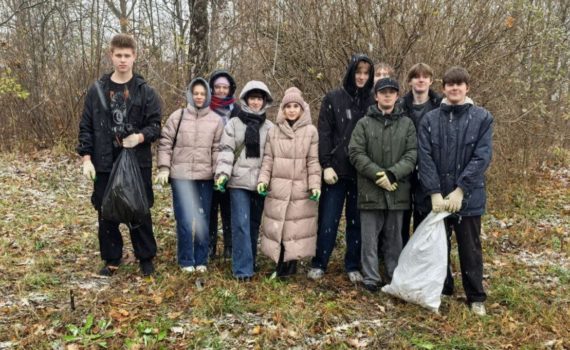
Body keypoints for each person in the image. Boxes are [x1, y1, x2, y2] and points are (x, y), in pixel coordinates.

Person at [77, 34, 161, 277]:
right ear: (110, 56)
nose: (123, 60)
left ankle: (146, 257)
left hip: (136, 161)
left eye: (127, 55)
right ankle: (112, 258)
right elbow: (86, 125)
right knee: (106, 210)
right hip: (104, 161)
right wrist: (86, 158)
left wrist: (140, 137)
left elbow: (156, 126)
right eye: (118, 55)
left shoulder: (146, 92)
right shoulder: (97, 90)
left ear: (134, 57)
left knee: (139, 208)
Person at [417, 66, 493, 316]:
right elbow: (425, 157)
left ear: (467, 88)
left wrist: (461, 190)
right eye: (450, 84)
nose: (455, 88)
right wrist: (434, 192)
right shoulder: (430, 119)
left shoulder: (482, 118)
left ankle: (475, 296)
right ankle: (443, 287)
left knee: (469, 248)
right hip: (439, 198)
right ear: (444, 88)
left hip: (468, 198)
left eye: (460, 84)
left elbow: (482, 157)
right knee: (439, 246)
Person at [308, 54, 374, 282]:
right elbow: (324, 133)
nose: (362, 77)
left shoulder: (373, 102)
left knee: (356, 222)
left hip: (361, 173)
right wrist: (325, 164)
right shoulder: (333, 98)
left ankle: (352, 264)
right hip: (335, 171)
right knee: (328, 220)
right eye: (358, 72)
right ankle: (319, 262)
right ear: (350, 73)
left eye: (366, 73)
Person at [348, 78, 417, 292]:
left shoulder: (407, 124)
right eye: (383, 92)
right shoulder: (364, 123)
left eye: (392, 92)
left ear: (397, 96)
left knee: (394, 238)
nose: (387, 95)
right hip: (370, 191)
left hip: (398, 191)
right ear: (376, 96)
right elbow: (356, 152)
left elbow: (412, 154)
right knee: (369, 238)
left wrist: (392, 175)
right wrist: (379, 175)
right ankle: (371, 277)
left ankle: (393, 274)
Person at [156, 78, 223, 273]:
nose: (199, 97)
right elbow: (165, 142)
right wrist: (164, 167)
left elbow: (218, 149)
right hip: (181, 176)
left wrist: (218, 173)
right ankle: (186, 259)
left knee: (203, 219)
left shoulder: (215, 120)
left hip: (205, 177)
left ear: (208, 95)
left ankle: (201, 259)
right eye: (196, 93)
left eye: (203, 93)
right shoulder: (178, 116)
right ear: (190, 95)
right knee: (184, 219)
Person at [257, 87, 321, 279]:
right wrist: (263, 180)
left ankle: (290, 264)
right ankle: (279, 264)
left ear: (302, 109)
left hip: (300, 189)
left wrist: (315, 185)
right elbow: (268, 159)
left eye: (295, 106)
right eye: (288, 106)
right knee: (280, 227)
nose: (292, 110)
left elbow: (312, 161)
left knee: (295, 229)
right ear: (282, 110)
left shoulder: (311, 131)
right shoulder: (273, 132)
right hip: (279, 188)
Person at [214, 81, 274, 281]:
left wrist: (266, 180)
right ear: (246, 99)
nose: (256, 102)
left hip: (259, 183)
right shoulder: (234, 123)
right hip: (238, 181)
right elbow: (226, 151)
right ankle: (242, 269)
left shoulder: (270, 127)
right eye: (252, 98)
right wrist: (222, 174)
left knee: (254, 224)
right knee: (240, 223)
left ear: (264, 101)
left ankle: (250, 260)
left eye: (259, 98)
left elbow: (270, 156)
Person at [400, 63, 443, 245]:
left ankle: (420, 257)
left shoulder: (440, 106)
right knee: (401, 215)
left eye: (425, 77)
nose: (421, 80)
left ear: (430, 81)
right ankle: (399, 258)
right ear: (410, 81)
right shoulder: (400, 106)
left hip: (429, 167)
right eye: (416, 77)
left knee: (423, 214)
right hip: (403, 167)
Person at [207, 70, 239, 259]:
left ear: (230, 89)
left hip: (230, 166)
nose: (221, 90)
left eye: (224, 87)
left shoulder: (236, 110)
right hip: (209, 164)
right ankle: (210, 246)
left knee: (228, 209)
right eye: (217, 87)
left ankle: (230, 246)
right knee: (210, 208)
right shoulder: (205, 107)